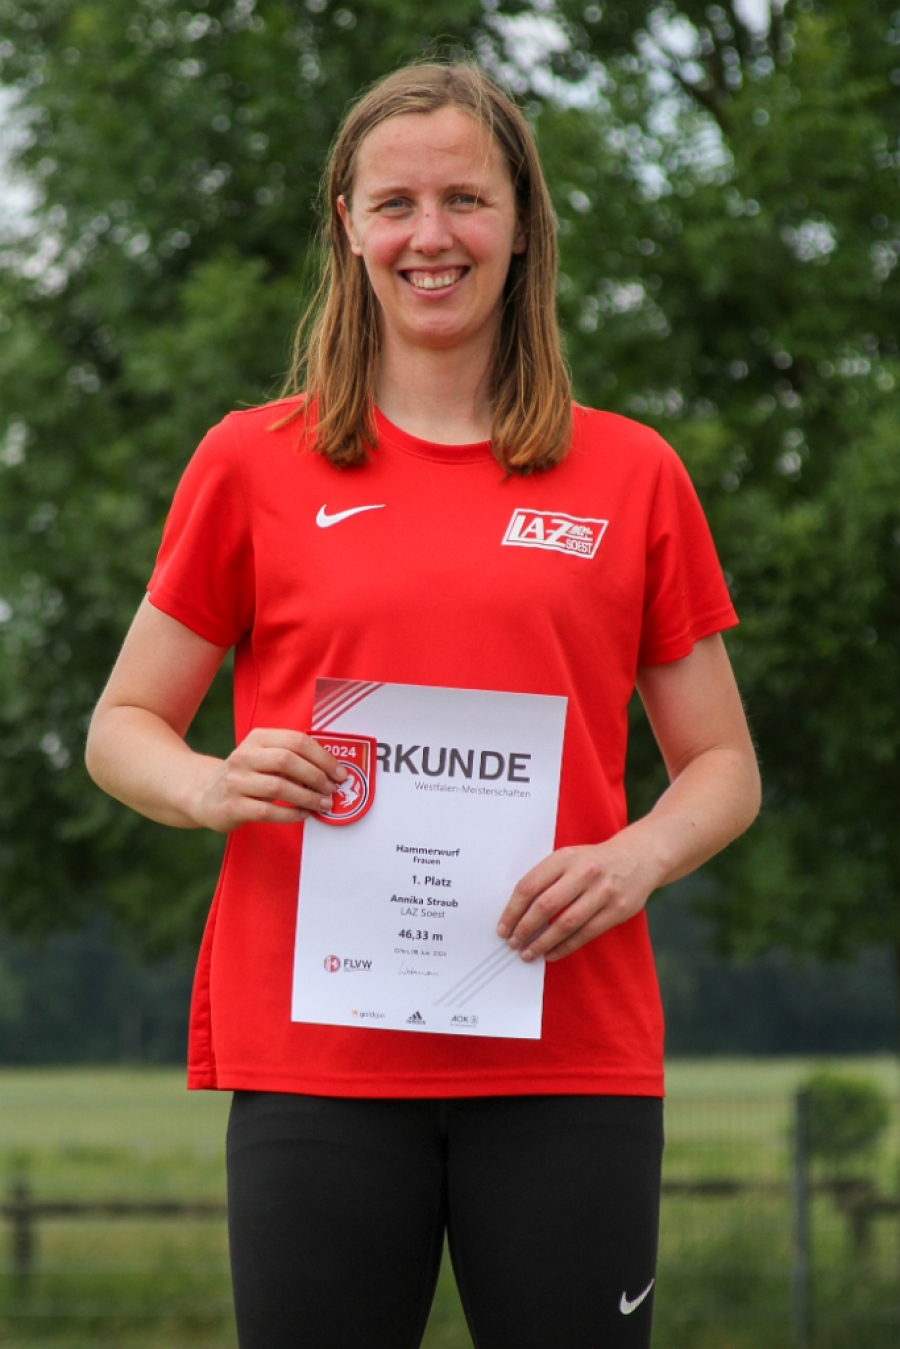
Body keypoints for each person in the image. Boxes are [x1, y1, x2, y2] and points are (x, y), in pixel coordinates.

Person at [86, 61, 761, 1349]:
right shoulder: (250, 461)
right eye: (396, 203)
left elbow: (723, 763)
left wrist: (635, 858)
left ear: (523, 223)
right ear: (348, 223)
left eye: (466, 199)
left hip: (568, 1050)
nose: (430, 235)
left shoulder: (632, 472)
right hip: (318, 1061)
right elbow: (122, 728)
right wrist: (211, 783)